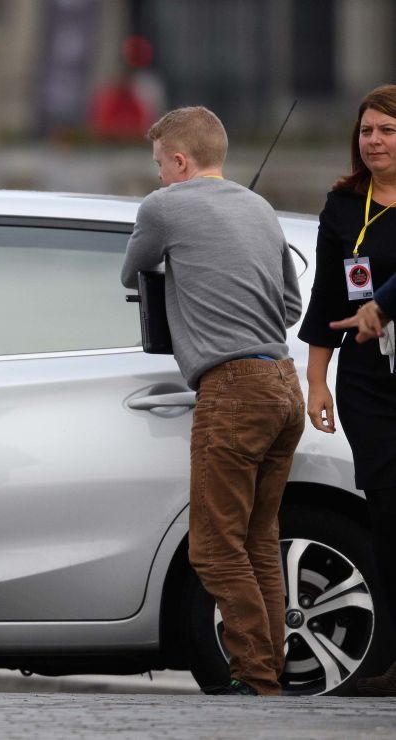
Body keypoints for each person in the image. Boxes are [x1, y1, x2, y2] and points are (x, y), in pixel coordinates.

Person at [120, 106, 304, 696]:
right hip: (283, 383)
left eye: (159, 167)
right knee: (257, 541)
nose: (157, 178)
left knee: (215, 548)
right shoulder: (261, 208)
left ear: (179, 160)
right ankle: (270, 673)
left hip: (232, 391)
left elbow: (133, 272)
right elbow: (291, 308)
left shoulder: (165, 207)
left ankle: (255, 678)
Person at [301, 83, 396, 697]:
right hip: (367, 382)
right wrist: (315, 380)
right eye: (366, 131)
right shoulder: (342, 206)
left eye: (387, 131)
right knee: (385, 514)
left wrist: (382, 307)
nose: (375, 141)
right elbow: (328, 302)